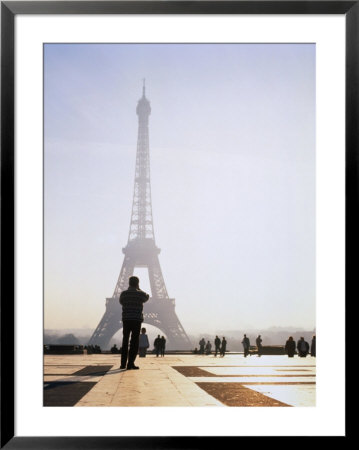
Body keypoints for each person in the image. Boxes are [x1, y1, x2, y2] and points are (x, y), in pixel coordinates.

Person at [119, 276, 149, 370]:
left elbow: (121, 302)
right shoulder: (140, 294)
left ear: (129, 283)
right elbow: (147, 297)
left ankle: (123, 363)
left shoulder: (124, 294)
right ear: (137, 283)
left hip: (126, 319)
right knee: (134, 342)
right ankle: (130, 363)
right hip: (136, 320)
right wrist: (138, 289)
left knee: (125, 341)